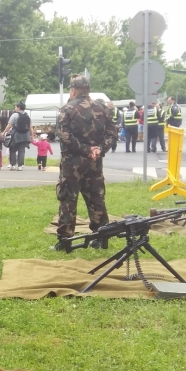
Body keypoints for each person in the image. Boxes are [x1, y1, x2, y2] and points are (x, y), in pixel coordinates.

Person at [50, 75, 117, 251]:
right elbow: (112, 133)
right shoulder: (102, 108)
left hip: (72, 163)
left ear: (73, 90)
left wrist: (86, 150)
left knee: (68, 199)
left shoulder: (68, 109)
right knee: (96, 198)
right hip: (94, 163)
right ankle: (101, 237)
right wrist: (99, 149)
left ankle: (65, 240)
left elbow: (64, 135)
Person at [3, 102, 32, 171]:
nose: (15, 108)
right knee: (21, 150)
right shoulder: (27, 116)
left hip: (16, 135)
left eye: (15, 107)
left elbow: (9, 125)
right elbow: (30, 127)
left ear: (19, 108)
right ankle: (20, 166)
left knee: (13, 149)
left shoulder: (15, 115)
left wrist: (4, 132)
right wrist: (31, 135)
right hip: (25, 135)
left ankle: (13, 165)